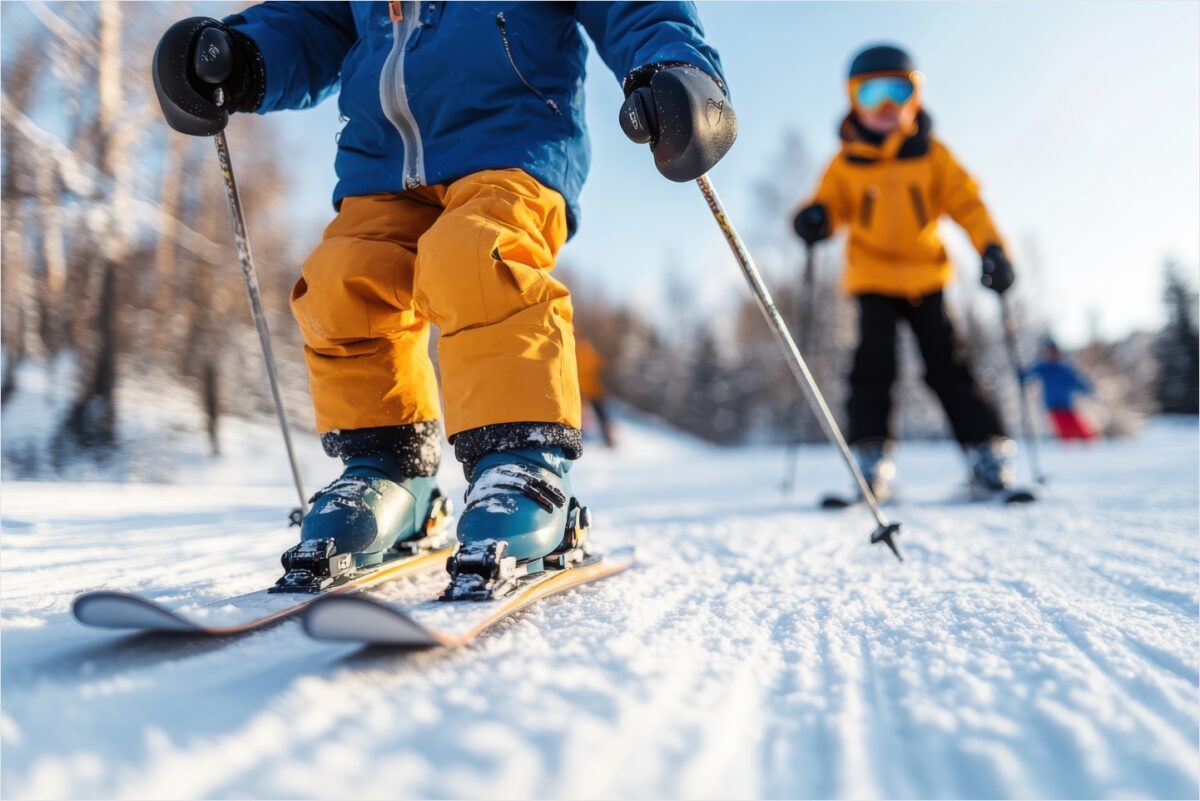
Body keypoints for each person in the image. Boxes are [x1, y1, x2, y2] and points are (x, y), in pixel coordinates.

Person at [152, 3, 734, 575]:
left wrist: (675, 66)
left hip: (511, 143)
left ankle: (522, 462)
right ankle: (390, 469)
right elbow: (316, 18)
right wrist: (244, 54)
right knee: (342, 280)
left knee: (476, 257)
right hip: (380, 162)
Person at [791, 43, 1018, 498]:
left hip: (926, 276)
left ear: (915, 98)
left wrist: (992, 248)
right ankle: (871, 459)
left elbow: (968, 204)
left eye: (898, 92)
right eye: (871, 93)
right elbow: (830, 205)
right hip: (872, 278)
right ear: (853, 100)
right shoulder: (845, 162)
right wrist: (816, 218)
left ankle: (986, 453)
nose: (886, 106)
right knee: (873, 366)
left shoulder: (932, 154)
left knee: (948, 364)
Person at [1024, 339, 1097, 441]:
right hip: (1053, 407)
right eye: (1050, 351)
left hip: (1067, 406)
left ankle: (1091, 446)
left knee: (1084, 434)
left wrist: (1088, 389)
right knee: (1066, 434)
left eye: (1054, 351)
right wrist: (1021, 375)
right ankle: (1069, 448)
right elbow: (1028, 374)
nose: (1052, 354)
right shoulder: (1043, 368)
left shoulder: (1064, 369)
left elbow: (1076, 382)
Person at [576, 337, 617, 448]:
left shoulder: (577, 352)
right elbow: (601, 368)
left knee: (582, 414)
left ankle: (580, 435)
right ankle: (607, 437)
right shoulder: (593, 354)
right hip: (593, 390)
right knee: (601, 415)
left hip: (585, 390)